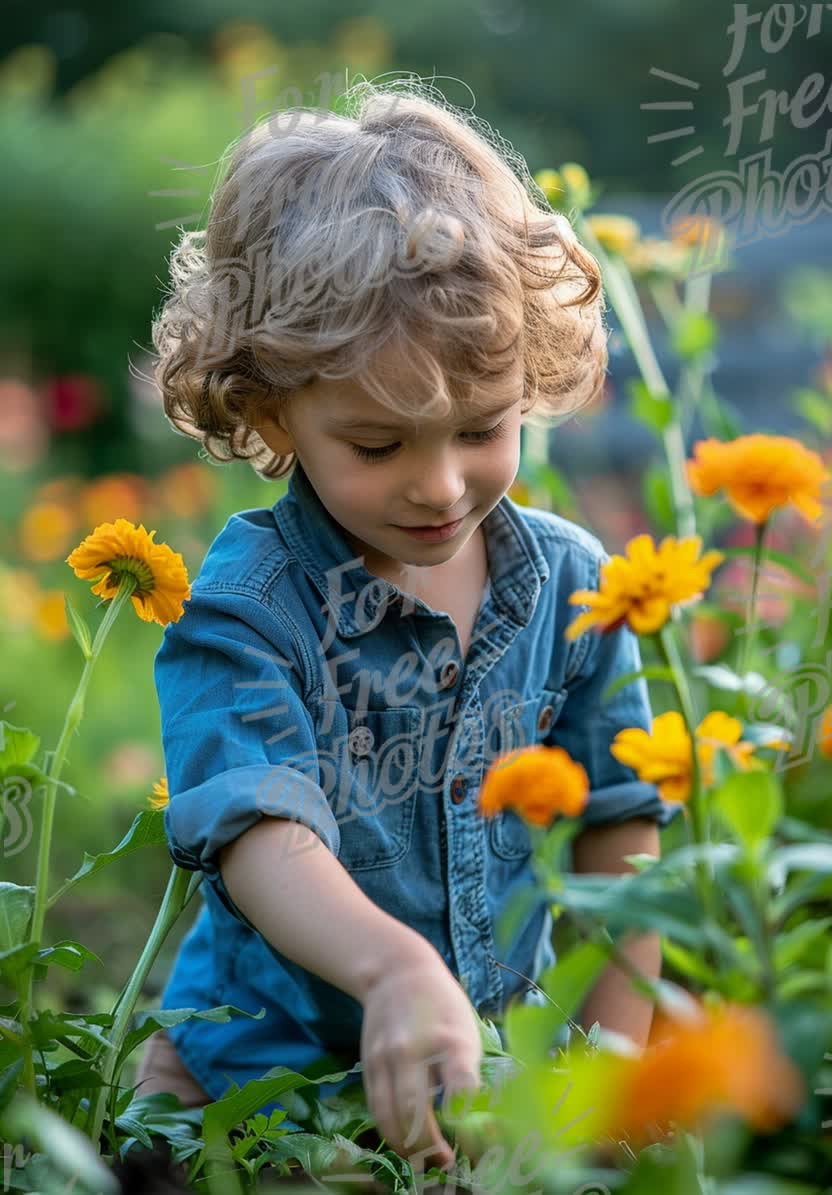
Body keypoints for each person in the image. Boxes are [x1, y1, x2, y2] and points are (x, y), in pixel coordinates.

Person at [134, 78, 682, 1172]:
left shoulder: (576, 584)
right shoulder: (248, 610)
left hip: (482, 1074)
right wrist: (390, 970)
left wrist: (616, 1049)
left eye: (483, 427)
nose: (439, 486)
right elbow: (258, 829)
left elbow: (619, 823)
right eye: (379, 446)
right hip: (260, 1071)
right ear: (273, 409)